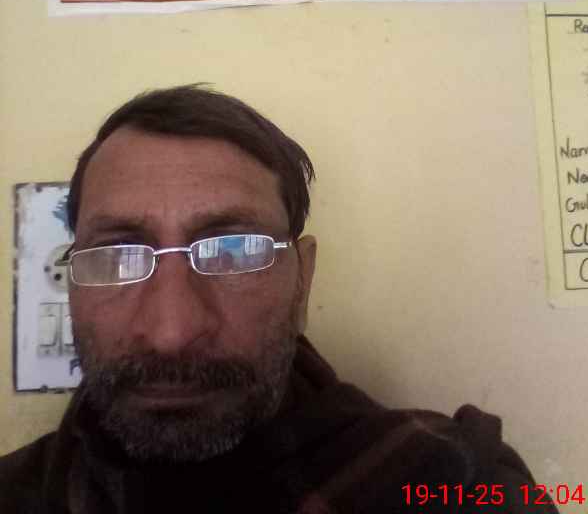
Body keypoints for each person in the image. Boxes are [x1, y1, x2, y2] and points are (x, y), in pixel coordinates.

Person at [0, 85, 557, 513]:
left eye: (235, 252)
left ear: (303, 279)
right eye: (117, 255)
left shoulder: (454, 484)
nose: (171, 332)